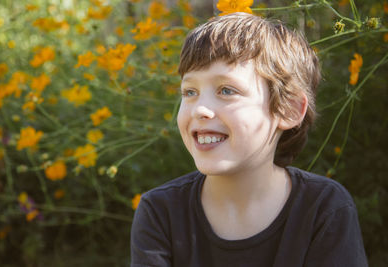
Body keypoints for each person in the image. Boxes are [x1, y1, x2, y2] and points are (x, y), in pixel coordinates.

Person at [130, 12, 368, 267]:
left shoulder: (325, 208)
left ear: (288, 110)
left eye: (226, 90)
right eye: (190, 92)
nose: (200, 109)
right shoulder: (160, 211)